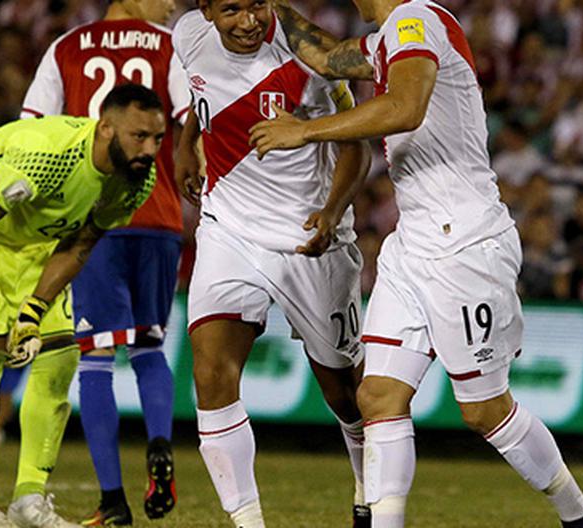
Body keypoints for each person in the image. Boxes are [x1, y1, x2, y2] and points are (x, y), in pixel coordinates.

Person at [249, 1, 583, 527]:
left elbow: (406, 107)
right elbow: (328, 57)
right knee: (377, 396)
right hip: (413, 242)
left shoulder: (416, 18)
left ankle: (581, 518)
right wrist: (273, 7)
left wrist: (305, 131)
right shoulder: (387, 39)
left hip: (465, 243)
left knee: (485, 412)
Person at [0, 84, 165, 528]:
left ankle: (28, 501)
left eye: (158, 139)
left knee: (58, 358)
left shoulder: (136, 179)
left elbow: (81, 242)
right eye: (139, 137)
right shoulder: (46, 154)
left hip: (38, 240)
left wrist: (35, 308)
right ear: (106, 128)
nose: (149, 150)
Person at [172, 1, 372, 526]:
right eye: (232, 8)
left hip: (308, 238)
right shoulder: (188, 35)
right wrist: (186, 144)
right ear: (207, 11)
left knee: (346, 392)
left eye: (257, 3)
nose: (248, 20)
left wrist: (331, 211)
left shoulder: (308, 60)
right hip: (228, 230)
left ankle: (368, 487)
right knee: (212, 372)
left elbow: (357, 148)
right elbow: (202, 99)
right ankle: (247, 521)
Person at [20, 0, 189, 524]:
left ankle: (112, 501)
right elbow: (191, 121)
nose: (173, 5)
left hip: (96, 218)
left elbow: (30, 131)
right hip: (160, 215)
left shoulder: (66, 48)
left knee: (94, 360)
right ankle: (160, 443)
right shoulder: (170, 45)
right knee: (149, 346)